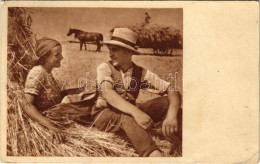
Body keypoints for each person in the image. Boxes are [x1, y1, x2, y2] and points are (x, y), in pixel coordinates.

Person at [92, 28, 182, 157]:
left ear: (129, 51)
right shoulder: (105, 67)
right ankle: (153, 156)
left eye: (115, 50)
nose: (110, 54)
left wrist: (171, 116)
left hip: (129, 111)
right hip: (105, 114)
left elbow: (172, 90)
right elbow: (108, 93)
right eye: (110, 49)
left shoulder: (140, 72)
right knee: (128, 117)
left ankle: (185, 140)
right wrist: (136, 112)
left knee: (167, 102)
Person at [23, 37, 95, 143]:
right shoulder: (37, 72)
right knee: (89, 107)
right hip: (49, 115)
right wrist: (50, 125)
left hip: (57, 111)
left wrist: (81, 89)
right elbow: (27, 105)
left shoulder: (47, 72)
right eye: (57, 55)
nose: (61, 57)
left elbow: (56, 95)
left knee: (90, 99)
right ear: (45, 57)